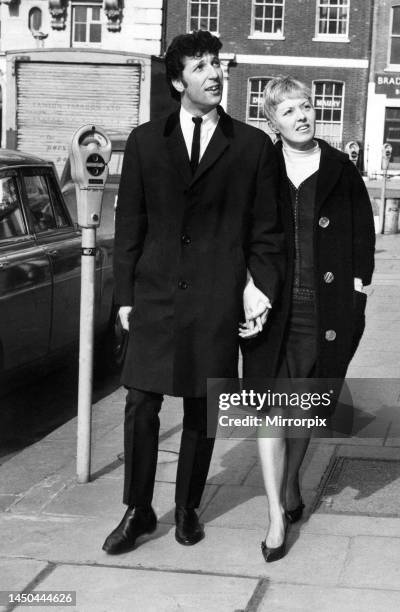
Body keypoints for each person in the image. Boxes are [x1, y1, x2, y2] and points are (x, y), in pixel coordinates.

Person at [102, 30, 285, 555]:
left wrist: (260, 290)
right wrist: (125, 299)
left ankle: (186, 508)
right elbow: (131, 224)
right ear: (178, 80)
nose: (214, 73)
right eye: (201, 66)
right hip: (156, 296)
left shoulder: (251, 146)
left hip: (215, 298)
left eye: (217, 64)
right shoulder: (143, 141)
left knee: (203, 408)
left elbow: (266, 234)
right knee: (141, 402)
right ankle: (138, 510)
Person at [241, 76, 375, 562]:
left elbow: (363, 236)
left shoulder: (341, 169)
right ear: (271, 121)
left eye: (306, 106)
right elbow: (239, 232)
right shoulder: (260, 166)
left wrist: (359, 291)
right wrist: (245, 288)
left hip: (324, 310)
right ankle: (276, 513)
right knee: (269, 408)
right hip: (269, 309)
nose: (301, 116)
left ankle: (292, 481)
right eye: (288, 110)